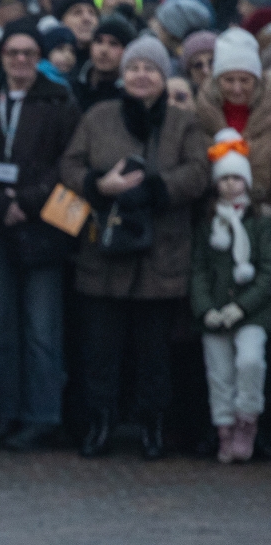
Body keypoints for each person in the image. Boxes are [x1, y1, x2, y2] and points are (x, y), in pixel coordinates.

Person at [61, 34, 210, 460]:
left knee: (154, 355)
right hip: (104, 252)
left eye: (149, 68)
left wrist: (159, 189)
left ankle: (152, 427)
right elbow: (71, 165)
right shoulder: (98, 116)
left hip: (160, 254)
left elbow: (199, 172)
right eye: (134, 69)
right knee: (101, 352)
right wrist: (100, 185)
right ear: (123, 76)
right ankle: (101, 424)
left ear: (164, 76)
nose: (141, 76)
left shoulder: (183, 122)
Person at [0, 24, 83, 451]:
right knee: (0, 326)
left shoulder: (59, 102)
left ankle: (42, 414)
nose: (20, 60)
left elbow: (69, 162)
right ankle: (5, 412)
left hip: (43, 227)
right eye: (13, 52)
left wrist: (28, 201)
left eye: (29, 53)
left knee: (42, 328)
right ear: (1, 56)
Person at [191, 129, 269, 462]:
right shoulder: (209, 223)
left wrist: (242, 306)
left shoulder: (260, 223)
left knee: (250, 361)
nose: (230, 185)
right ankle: (223, 425)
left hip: (251, 313)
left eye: (237, 178)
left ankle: (247, 418)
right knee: (219, 372)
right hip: (215, 313)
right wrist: (206, 308)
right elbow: (198, 270)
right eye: (224, 179)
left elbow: (268, 271)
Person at [193, 27, 271, 203]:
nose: (237, 89)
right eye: (229, 80)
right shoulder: (201, 113)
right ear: (217, 80)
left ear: (257, 81)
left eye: (245, 80)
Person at [74, 15, 135, 110]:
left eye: (113, 43)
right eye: (98, 41)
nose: (104, 50)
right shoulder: (73, 84)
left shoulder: (132, 95)